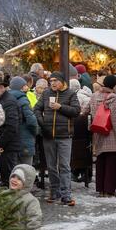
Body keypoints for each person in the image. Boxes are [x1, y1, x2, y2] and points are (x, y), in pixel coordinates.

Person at [36, 72, 80, 206]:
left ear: (62, 81)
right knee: (51, 166)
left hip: (65, 135)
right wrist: (42, 123)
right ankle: (54, 191)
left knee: (64, 166)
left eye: (55, 80)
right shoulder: (46, 94)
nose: (53, 83)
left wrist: (60, 107)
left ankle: (66, 195)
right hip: (48, 135)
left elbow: (76, 111)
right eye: (51, 81)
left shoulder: (70, 93)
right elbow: (36, 109)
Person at [86, 74, 116, 197]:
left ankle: (100, 189)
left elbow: (85, 110)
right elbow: (114, 117)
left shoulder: (94, 95)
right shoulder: (112, 96)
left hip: (98, 131)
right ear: (113, 85)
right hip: (110, 132)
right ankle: (108, 190)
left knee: (100, 160)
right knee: (111, 161)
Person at [0, 76, 21, 187]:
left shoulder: (8, 102)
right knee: (6, 177)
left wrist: (0, 144)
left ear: (2, 87)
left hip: (8, 146)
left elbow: (11, 126)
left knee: (10, 178)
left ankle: (14, 202)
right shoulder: (1, 100)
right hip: (5, 144)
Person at [8, 77, 39, 168]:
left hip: (12, 140)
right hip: (25, 139)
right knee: (26, 169)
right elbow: (31, 121)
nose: (28, 87)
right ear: (21, 87)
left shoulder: (8, 99)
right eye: (25, 85)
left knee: (15, 169)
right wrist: (35, 132)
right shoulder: (23, 100)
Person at [9, 164, 43, 230]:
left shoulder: (31, 201)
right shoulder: (4, 195)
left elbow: (34, 223)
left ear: (27, 182)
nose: (14, 180)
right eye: (13, 176)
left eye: (19, 179)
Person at [69, 78, 93, 185]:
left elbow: (76, 114)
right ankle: (86, 173)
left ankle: (76, 172)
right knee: (85, 149)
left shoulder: (77, 97)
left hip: (78, 128)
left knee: (77, 149)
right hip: (86, 129)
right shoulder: (86, 95)